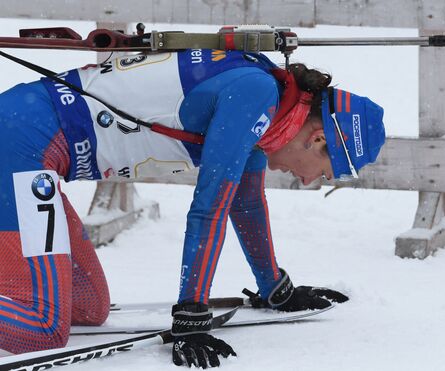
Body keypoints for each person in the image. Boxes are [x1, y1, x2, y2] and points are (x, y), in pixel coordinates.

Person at [0, 48, 385, 367]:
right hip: (19, 148)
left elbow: (245, 203)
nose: (308, 181)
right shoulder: (256, 95)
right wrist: (191, 312)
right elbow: (209, 207)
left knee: (88, 307)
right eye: (327, 172)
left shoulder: (270, 104)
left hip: (33, 153)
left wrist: (275, 289)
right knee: (43, 328)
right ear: (318, 139)